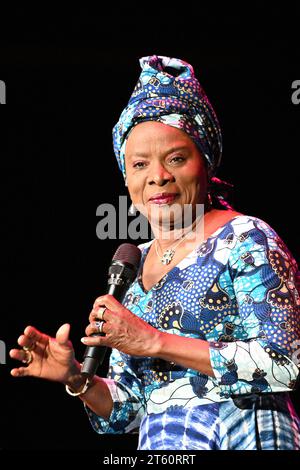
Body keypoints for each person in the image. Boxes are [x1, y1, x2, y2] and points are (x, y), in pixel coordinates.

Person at [10, 55, 300, 450]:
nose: (158, 176)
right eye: (140, 164)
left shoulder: (247, 238)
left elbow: (281, 364)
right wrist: (77, 378)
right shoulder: (133, 264)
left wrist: (153, 341)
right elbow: (129, 412)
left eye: (176, 158)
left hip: (242, 435)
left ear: (205, 162)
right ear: (126, 176)